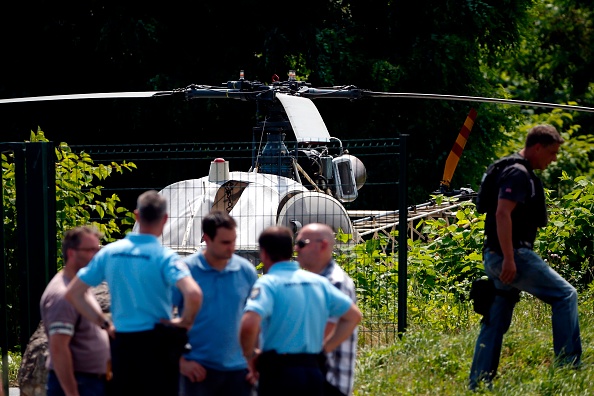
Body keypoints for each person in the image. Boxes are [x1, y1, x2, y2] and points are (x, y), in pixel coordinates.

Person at [468, 125, 582, 390]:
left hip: (500, 255)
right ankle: (569, 370)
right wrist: (509, 258)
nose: (553, 160)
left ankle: (479, 384)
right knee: (566, 296)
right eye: (552, 153)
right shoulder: (518, 173)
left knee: (495, 318)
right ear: (537, 147)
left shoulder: (515, 170)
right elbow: (501, 214)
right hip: (511, 255)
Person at [65, 190, 203, 396]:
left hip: (122, 343)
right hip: (158, 343)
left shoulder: (110, 252)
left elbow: (74, 293)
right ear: (165, 219)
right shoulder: (165, 257)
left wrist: (103, 323)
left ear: (136, 215)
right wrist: (184, 322)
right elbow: (193, 294)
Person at [240, 226, 362, 396]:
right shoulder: (318, 282)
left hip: (278, 372)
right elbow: (354, 316)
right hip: (312, 371)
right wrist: (322, 349)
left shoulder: (268, 283)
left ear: (264, 254)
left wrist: (250, 357)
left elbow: (249, 324)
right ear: (290, 251)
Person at [173, 211, 258, 396]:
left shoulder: (246, 271)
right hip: (198, 371)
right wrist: (181, 362)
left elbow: (256, 318)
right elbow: (160, 318)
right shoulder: (185, 271)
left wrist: (254, 361)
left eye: (234, 241)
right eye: (225, 242)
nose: (232, 248)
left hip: (239, 371)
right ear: (207, 239)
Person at [41, 226, 110, 396]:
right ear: (71, 253)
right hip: (79, 384)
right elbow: (59, 349)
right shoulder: (62, 295)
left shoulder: (77, 285)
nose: (96, 256)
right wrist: (72, 392)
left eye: (97, 249)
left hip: (90, 382)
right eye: (90, 250)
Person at [295, 223, 358, 396]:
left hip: (327, 380)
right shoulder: (317, 280)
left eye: (301, 243)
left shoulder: (334, 282)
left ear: (322, 245)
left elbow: (322, 332)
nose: (296, 248)